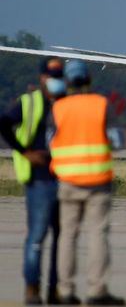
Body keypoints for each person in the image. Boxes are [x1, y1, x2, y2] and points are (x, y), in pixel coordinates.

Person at [50, 60, 125, 306]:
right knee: (97, 235)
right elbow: (116, 140)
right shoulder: (101, 105)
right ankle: (96, 291)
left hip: (68, 180)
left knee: (67, 236)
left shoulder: (59, 108)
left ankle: (65, 291)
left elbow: (50, 140)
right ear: (89, 80)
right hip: (97, 180)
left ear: (68, 82)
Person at [0, 57, 66, 305]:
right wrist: (23, 151)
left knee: (62, 238)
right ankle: (32, 287)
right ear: (41, 77)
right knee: (37, 236)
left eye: (59, 76)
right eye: (51, 76)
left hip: (65, 178)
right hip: (39, 180)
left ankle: (55, 288)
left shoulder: (67, 104)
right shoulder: (29, 103)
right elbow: (4, 123)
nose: (55, 81)